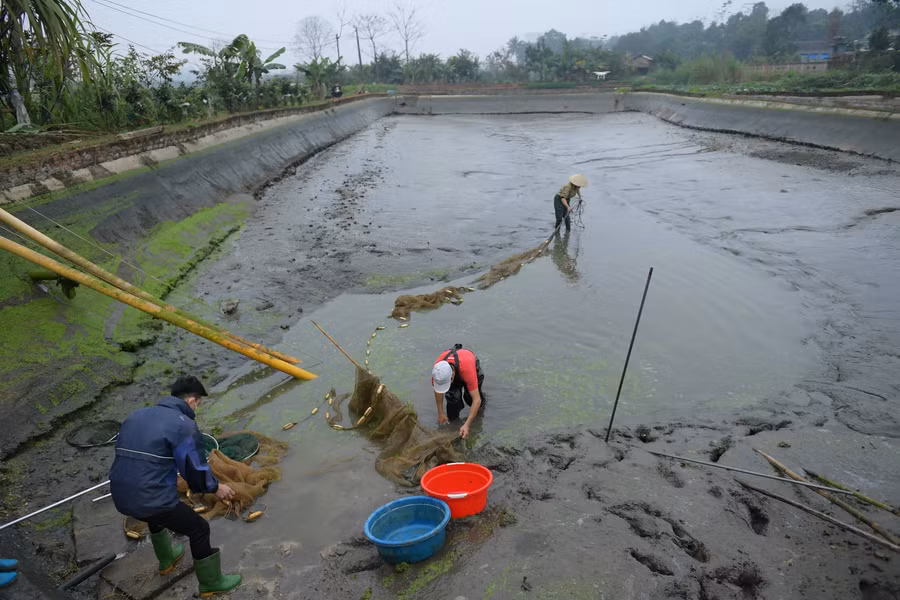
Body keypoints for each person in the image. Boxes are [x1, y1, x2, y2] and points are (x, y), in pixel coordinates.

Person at [109, 376, 241, 596]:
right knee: (199, 529)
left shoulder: (137, 414)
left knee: (155, 510)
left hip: (120, 495)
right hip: (150, 499)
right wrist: (216, 488)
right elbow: (195, 474)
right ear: (191, 400)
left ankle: (167, 560)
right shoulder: (183, 425)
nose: (196, 409)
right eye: (198, 404)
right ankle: (211, 583)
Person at [432, 344, 485, 439]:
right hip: (454, 366)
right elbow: (438, 392)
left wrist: (467, 424)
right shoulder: (437, 372)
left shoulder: (467, 369)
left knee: (470, 398)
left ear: (452, 375)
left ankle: (478, 415)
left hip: (468, 363)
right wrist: (440, 413)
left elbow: (476, 400)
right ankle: (454, 425)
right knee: (453, 401)